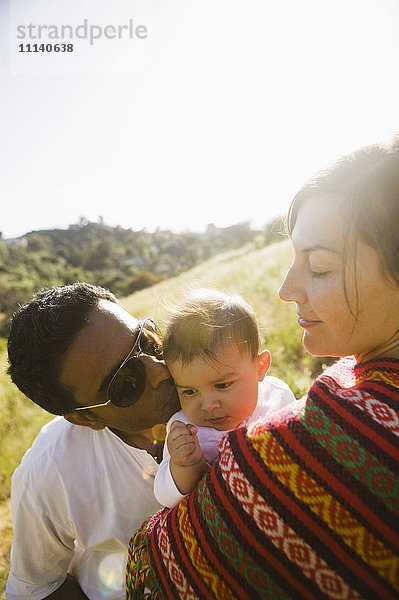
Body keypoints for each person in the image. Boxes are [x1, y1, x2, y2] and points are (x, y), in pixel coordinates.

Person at [126, 136, 399, 599]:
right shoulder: (349, 383)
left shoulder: (323, 443)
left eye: (319, 266)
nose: (286, 288)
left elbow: (153, 568)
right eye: (294, 257)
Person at [5, 282, 181, 600]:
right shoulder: (48, 475)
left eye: (147, 341)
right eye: (127, 382)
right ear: (84, 418)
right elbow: (39, 588)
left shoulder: (224, 382)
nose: (160, 371)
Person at [154, 288, 296, 508]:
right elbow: (165, 497)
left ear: (260, 367)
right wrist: (186, 466)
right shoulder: (185, 430)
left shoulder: (277, 395)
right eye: (189, 391)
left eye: (222, 385)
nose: (209, 405)